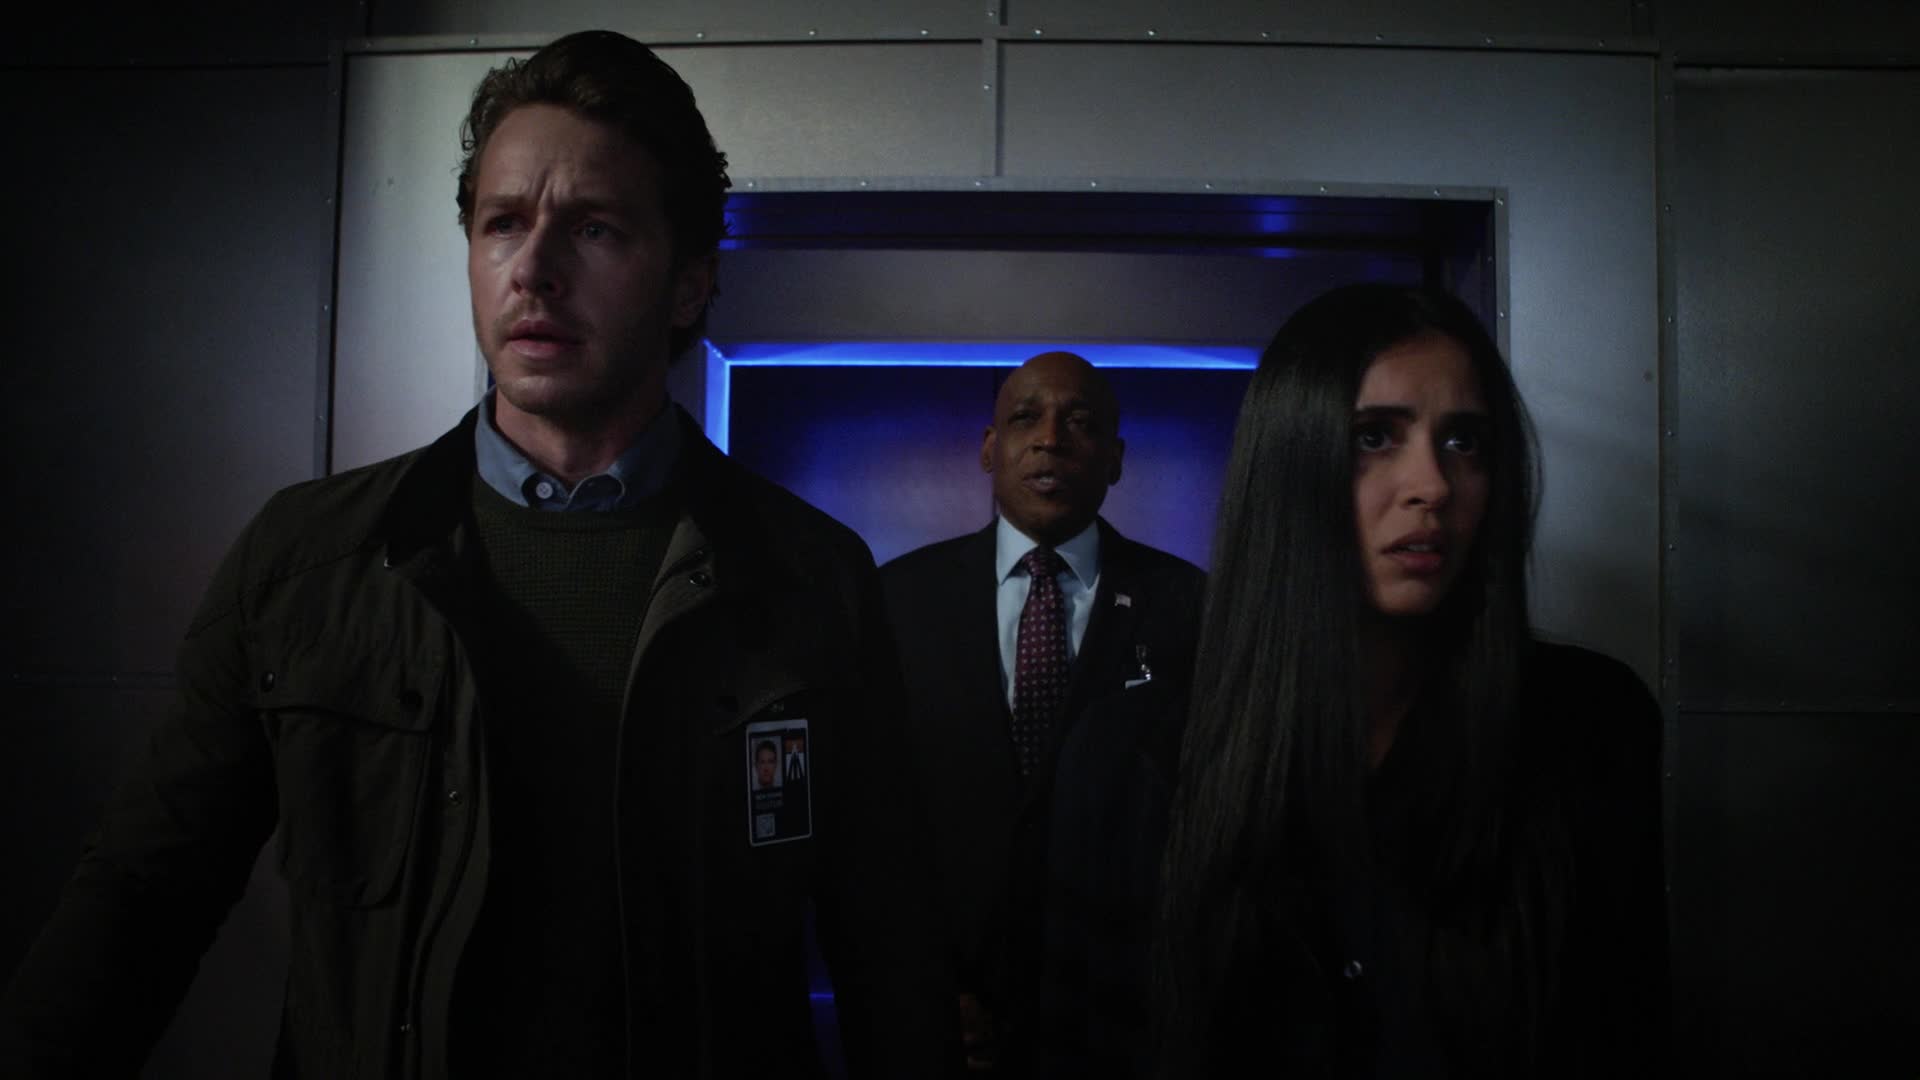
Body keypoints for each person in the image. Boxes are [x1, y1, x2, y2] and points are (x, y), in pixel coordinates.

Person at [1, 30, 952, 1079]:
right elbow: (142, 896)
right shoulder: (309, 561)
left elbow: (889, 950)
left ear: (688, 284)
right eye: (503, 224)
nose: (533, 271)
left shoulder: (811, 576)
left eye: (594, 229)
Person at [1040, 284, 1669, 1078]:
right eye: (1374, 437)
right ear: (1289, 463)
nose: (1432, 485)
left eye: (1465, 441)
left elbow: (1625, 1031)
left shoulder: (1589, 730)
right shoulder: (1127, 761)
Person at [880, 351, 1204, 1074]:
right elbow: (875, 825)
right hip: (949, 1014)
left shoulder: (1189, 606)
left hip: (1125, 1016)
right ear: (989, 448)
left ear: (1115, 459)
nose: (1050, 439)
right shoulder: (898, 601)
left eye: (1079, 422)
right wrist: (923, 986)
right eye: (1026, 418)